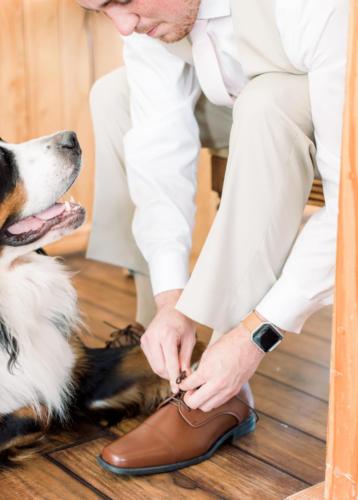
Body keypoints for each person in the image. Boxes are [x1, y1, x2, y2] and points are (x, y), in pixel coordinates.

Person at [79, 0, 348, 475]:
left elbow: (349, 202)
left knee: (267, 103)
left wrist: (256, 335)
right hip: (234, 98)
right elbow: (158, 148)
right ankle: (169, 348)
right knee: (114, 95)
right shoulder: (149, 21)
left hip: (322, 99)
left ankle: (221, 387)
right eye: (102, 9)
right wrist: (170, 299)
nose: (121, 24)